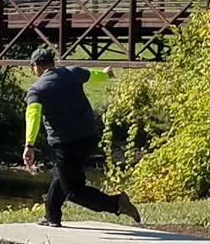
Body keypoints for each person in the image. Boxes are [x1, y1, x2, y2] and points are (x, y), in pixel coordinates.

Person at [23, 45, 141, 226]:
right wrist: (106, 74)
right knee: (61, 175)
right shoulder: (72, 73)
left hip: (65, 144)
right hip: (88, 138)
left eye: (32, 66)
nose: (32, 69)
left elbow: (33, 116)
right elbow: (93, 76)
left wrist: (29, 145)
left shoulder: (37, 89)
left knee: (73, 191)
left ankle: (117, 204)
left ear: (37, 66)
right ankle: (51, 216)